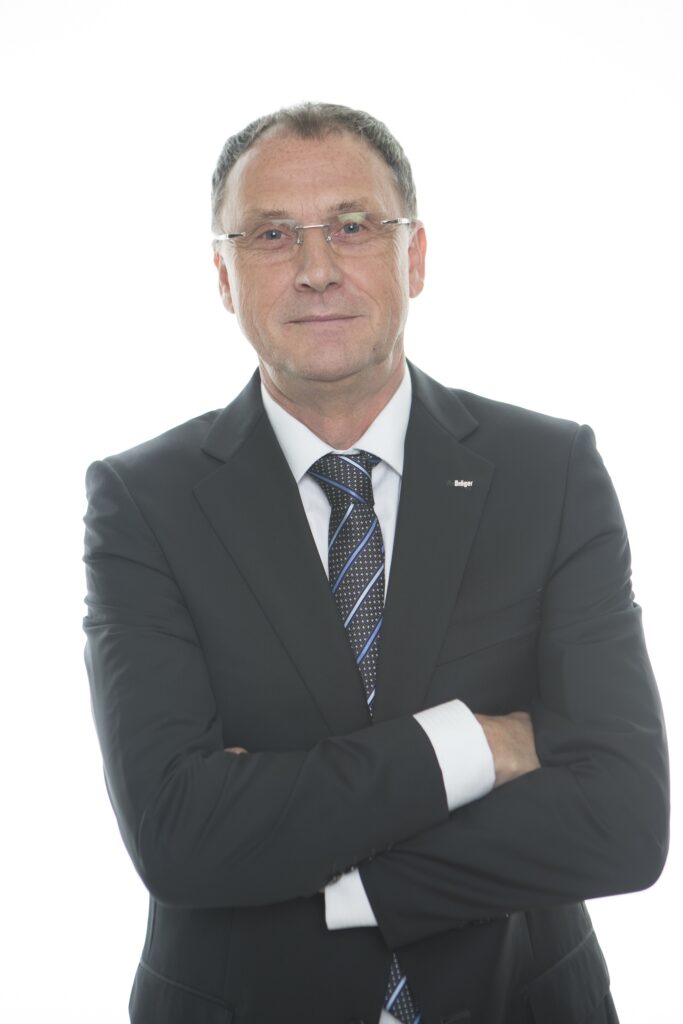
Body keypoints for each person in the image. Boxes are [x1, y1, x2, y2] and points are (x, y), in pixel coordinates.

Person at [83, 102, 669, 1024]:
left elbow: (624, 821)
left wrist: (328, 875)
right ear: (224, 278)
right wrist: (480, 746)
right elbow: (180, 836)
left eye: (353, 226)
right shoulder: (143, 502)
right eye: (272, 234)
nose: (316, 268)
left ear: (415, 257)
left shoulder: (547, 471)